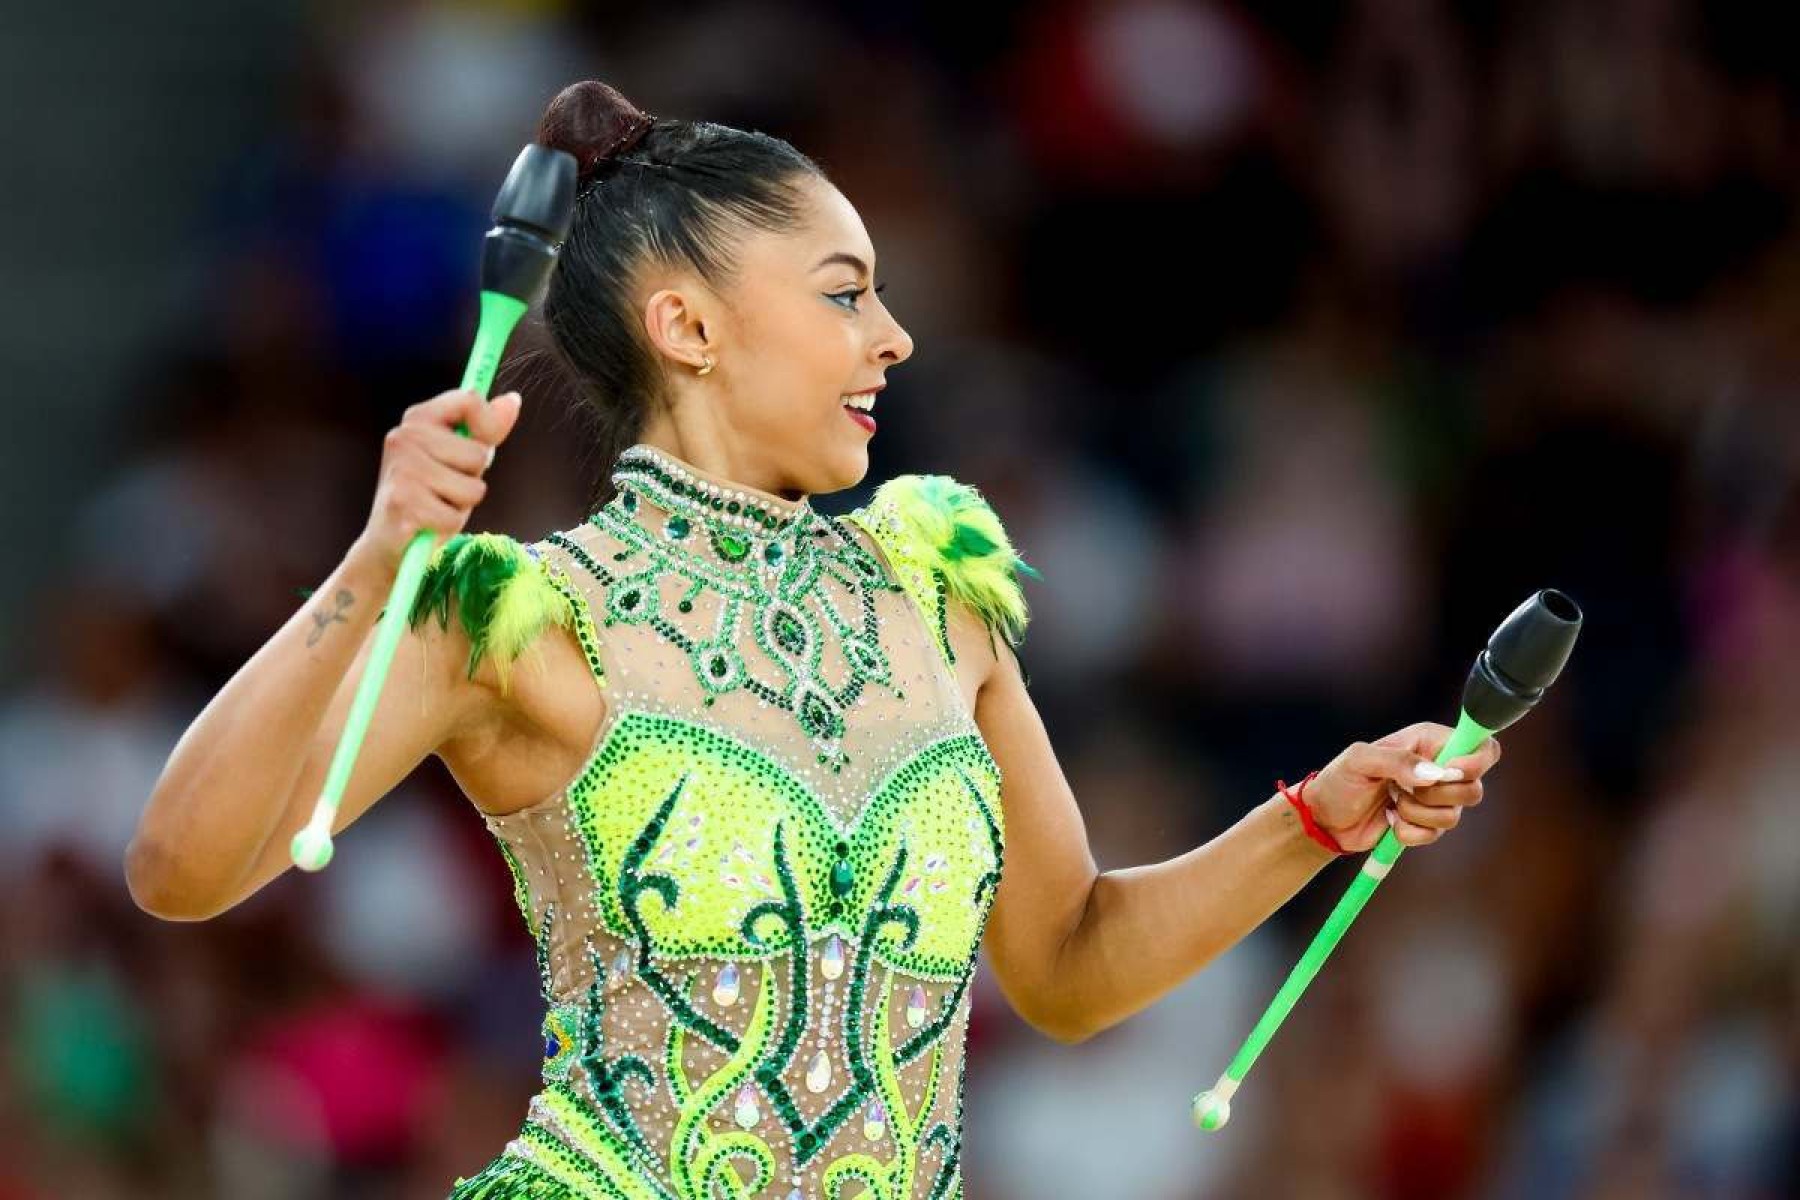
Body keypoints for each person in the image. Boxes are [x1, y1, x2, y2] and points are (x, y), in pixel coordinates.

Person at [125, 80, 1502, 1199]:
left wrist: (1316, 819)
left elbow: (1069, 967)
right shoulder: (516, 621)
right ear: (688, 326)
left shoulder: (938, 597)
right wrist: (377, 565)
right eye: (846, 294)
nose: (895, 337)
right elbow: (182, 868)